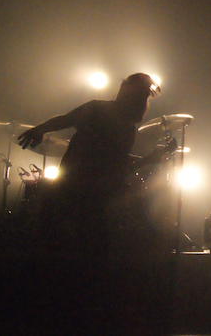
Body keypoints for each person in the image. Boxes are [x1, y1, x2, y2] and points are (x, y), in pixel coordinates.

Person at [16, 73, 169, 333]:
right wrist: (148, 161)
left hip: (73, 192)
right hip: (87, 196)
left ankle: (49, 313)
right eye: (143, 97)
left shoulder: (101, 110)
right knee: (88, 256)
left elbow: (68, 121)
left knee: (62, 252)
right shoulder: (118, 123)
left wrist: (40, 129)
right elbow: (116, 165)